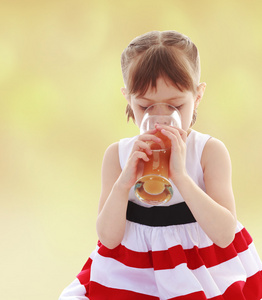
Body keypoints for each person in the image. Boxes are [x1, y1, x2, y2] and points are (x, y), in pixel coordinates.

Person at [59, 30, 262, 299]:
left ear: (197, 96)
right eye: (145, 107)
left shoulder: (208, 152)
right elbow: (108, 239)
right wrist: (124, 184)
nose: (161, 119)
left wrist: (181, 177)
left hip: (198, 270)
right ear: (128, 99)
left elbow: (225, 235)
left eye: (175, 106)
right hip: (133, 271)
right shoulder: (117, 156)